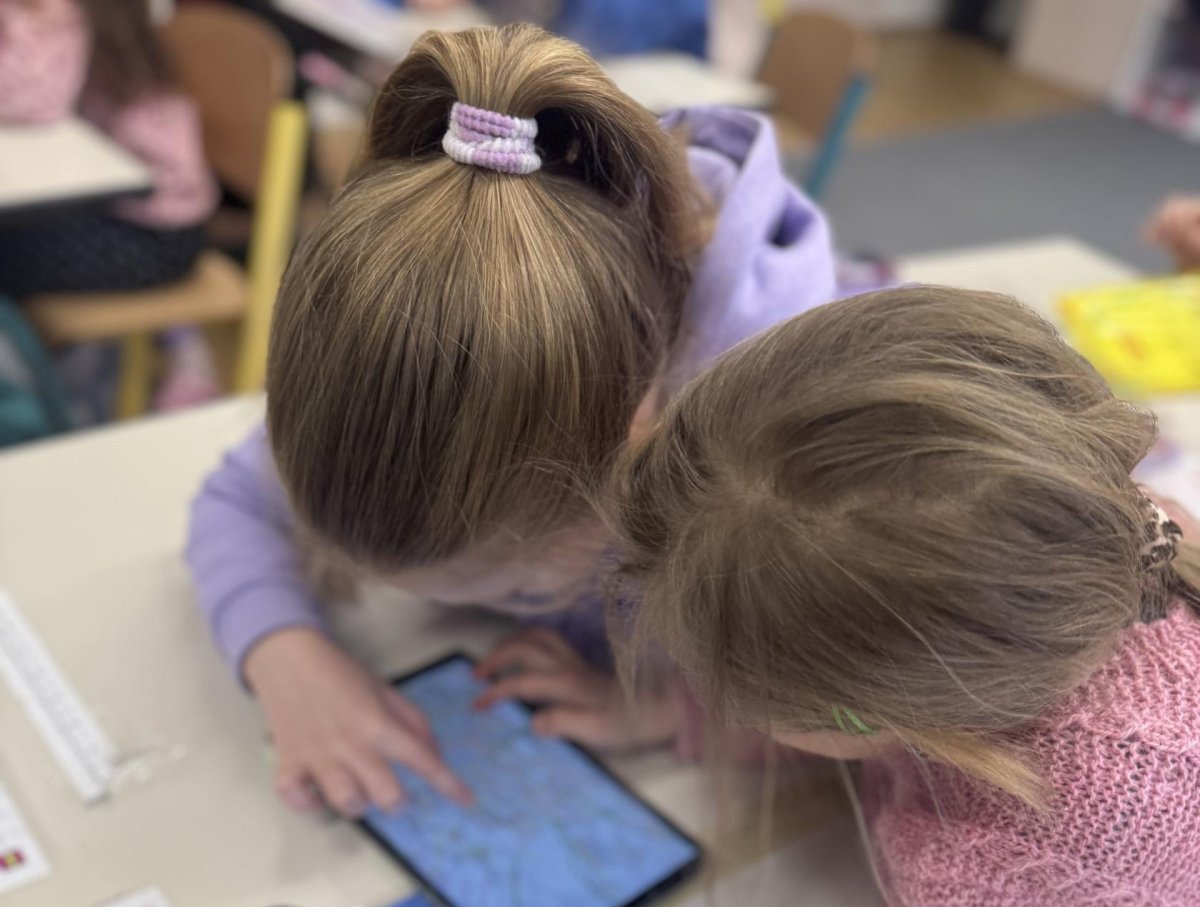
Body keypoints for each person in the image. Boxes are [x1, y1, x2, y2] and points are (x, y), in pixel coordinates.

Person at [186, 23, 835, 818]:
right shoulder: (455, 367)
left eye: (518, 589)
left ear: (630, 449)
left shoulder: (783, 479)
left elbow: (878, 720)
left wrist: (669, 713)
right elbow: (237, 500)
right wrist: (285, 653)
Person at [611, 284, 1200, 907]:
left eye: (726, 687)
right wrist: (681, 716)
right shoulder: (1097, 522)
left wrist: (908, 880)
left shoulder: (985, 850)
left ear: (864, 716)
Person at [0, 0, 217, 298]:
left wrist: (17, 16)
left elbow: (35, 105)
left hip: (154, 232)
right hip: (110, 206)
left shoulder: (60, 15)